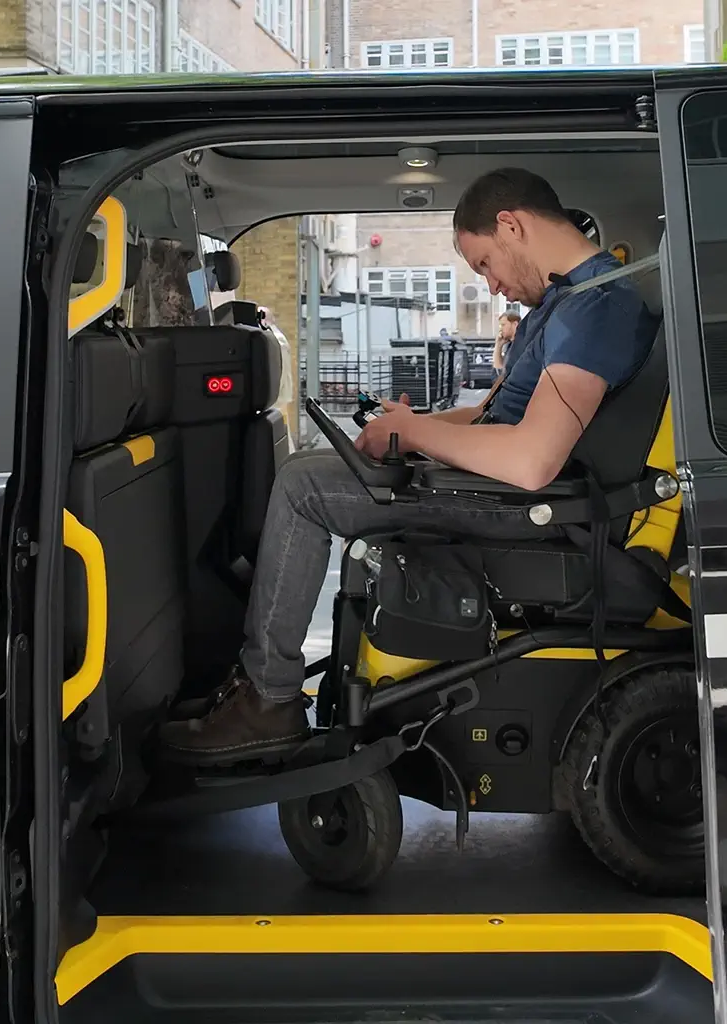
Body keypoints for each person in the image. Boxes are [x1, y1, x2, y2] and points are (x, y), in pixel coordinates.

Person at [160, 166, 660, 763]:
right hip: (508, 493)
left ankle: (268, 699)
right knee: (321, 467)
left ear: (511, 225)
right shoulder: (563, 304)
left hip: (533, 508)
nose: (491, 285)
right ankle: (258, 684)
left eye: (484, 264)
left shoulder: (595, 307)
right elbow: (492, 420)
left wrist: (416, 431)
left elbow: (530, 460)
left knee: (302, 485)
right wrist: (407, 428)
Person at [492, 310, 522, 374]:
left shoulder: (521, 346)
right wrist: (498, 345)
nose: (500, 329)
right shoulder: (510, 345)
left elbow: (502, 374)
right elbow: (498, 371)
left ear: (515, 324)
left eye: (503, 325)